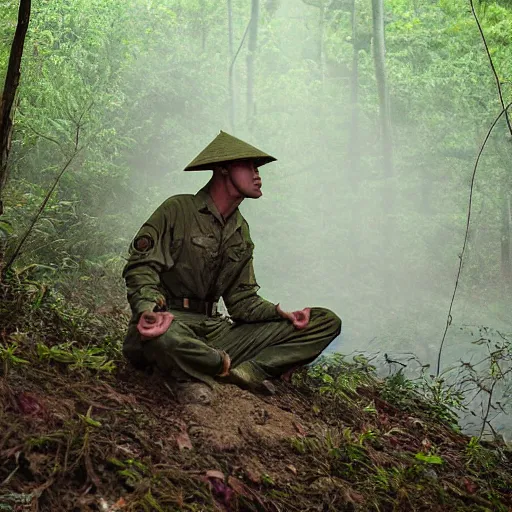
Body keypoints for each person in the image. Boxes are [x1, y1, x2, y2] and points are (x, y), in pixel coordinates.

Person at [122, 131, 341, 404]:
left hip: (215, 331)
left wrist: (278, 313)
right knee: (161, 340)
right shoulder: (178, 209)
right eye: (248, 166)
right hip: (170, 322)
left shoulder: (241, 230)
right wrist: (147, 310)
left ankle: (248, 371)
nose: (257, 174)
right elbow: (141, 268)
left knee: (325, 321)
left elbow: (242, 302)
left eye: (258, 168)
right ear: (223, 168)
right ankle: (218, 364)